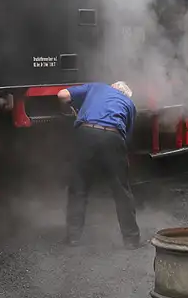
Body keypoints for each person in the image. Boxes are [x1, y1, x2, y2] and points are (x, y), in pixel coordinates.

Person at [57, 81, 141, 248]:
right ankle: (131, 240)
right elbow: (126, 137)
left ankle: (73, 238)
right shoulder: (130, 105)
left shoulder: (97, 87)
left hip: (86, 132)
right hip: (113, 136)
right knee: (121, 191)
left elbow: (62, 95)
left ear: (112, 86)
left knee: (78, 187)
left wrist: (68, 109)